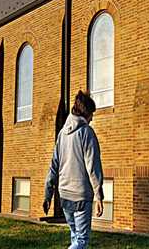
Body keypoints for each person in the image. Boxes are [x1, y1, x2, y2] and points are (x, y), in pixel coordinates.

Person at [43, 90, 104, 249]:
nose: (92, 118)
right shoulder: (86, 133)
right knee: (81, 241)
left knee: (75, 237)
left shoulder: (62, 134)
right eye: (92, 114)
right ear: (86, 113)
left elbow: (53, 165)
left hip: (65, 195)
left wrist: (48, 194)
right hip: (81, 196)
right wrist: (98, 196)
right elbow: (93, 166)